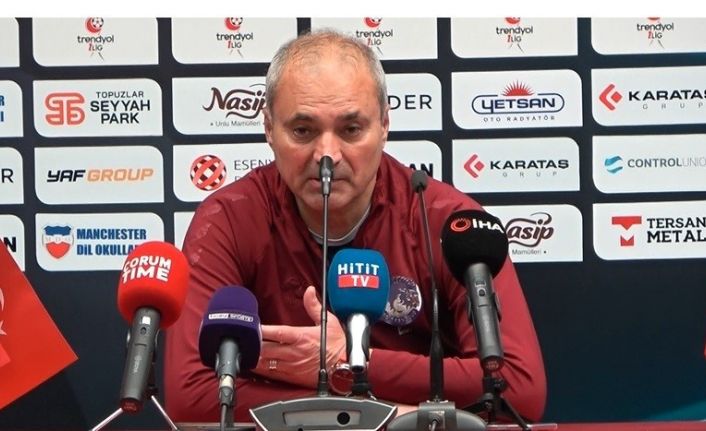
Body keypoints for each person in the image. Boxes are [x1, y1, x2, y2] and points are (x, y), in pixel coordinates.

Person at [164, 29, 546, 423]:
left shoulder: (446, 220)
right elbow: (190, 394)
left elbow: (518, 389)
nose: (327, 155)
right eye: (303, 131)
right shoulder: (229, 218)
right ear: (268, 129)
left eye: (351, 130)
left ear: (384, 125)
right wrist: (386, 416)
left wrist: (345, 361)